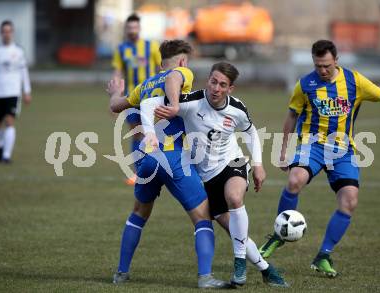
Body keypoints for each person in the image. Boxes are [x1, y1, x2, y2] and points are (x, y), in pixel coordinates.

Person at [258, 39, 380, 277]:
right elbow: (291, 117)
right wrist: (283, 150)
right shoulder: (305, 84)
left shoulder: (354, 81)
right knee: (295, 180)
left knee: (350, 201)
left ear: (336, 60)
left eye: (326, 65)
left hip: (343, 150)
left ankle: (323, 255)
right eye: (318, 66)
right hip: (312, 145)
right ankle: (278, 235)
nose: (323, 70)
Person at [140, 62, 289, 288]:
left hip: (234, 161)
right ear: (208, 80)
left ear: (230, 89)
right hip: (207, 176)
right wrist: (150, 132)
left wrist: (257, 165)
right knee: (233, 229)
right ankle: (266, 269)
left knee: (235, 197)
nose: (216, 88)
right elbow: (149, 102)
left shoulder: (237, 109)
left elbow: (250, 133)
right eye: (213, 81)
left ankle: (239, 262)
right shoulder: (191, 102)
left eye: (222, 85)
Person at [107, 40, 230, 289]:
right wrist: (174, 105)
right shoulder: (182, 72)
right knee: (203, 218)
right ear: (183, 61)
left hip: (147, 158)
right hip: (174, 158)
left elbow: (115, 106)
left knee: (138, 214)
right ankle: (205, 277)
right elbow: (174, 78)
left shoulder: (144, 85)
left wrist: (114, 92)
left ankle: (121, 273)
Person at [111, 13, 161, 185]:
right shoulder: (121, 49)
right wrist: (115, 96)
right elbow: (118, 72)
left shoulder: (151, 46)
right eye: (129, 28)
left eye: (135, 27)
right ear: (126, 29)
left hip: (151, 97)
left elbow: (161, 69)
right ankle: (139, 172)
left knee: (155, 133)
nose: (132, 31)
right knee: (137, 133)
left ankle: (157, 168)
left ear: (139, 28)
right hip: (131, 98)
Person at [0, 20, 31, 163]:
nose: (7, 34)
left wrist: (27, 91)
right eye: (4, 31)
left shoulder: (18, 51)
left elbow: (24, 72)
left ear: (12, 33)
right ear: (1, 33)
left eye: (9, 31)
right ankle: (0, 144)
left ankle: (6, 155)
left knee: (9, 121)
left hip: (13, 92)